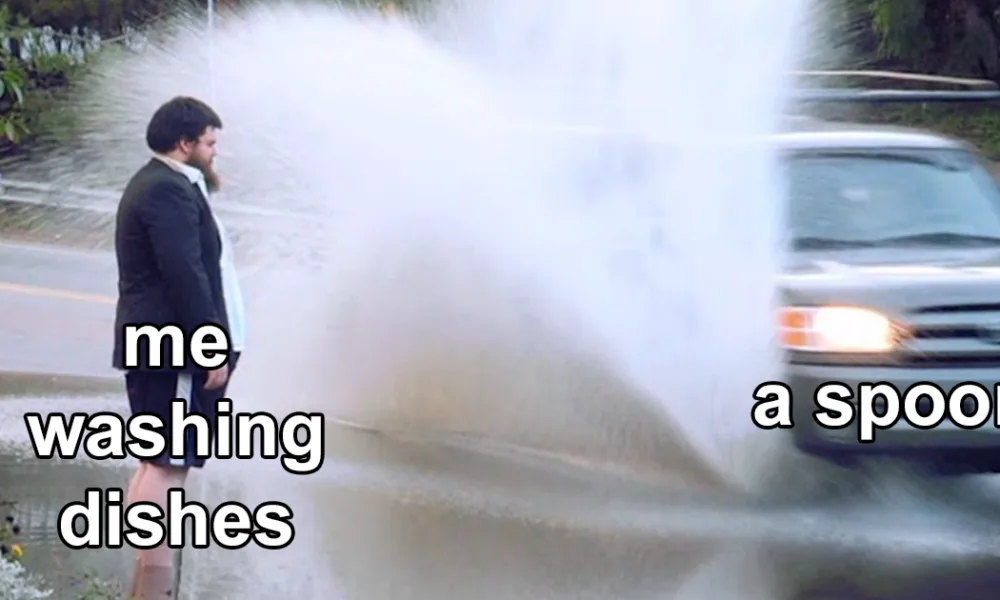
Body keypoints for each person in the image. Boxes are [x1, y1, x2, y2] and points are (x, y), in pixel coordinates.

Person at [112, 96, 246, 599]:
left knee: (159, 461)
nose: (215, 152)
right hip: (174, 350)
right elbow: (184, 273)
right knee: (167, 461)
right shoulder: (166, 190)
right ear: (184, 143)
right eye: (210, 143)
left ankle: (147, 579)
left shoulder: (167, 184)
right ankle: (155, 579)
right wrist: (211, 344)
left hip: (166, 346)